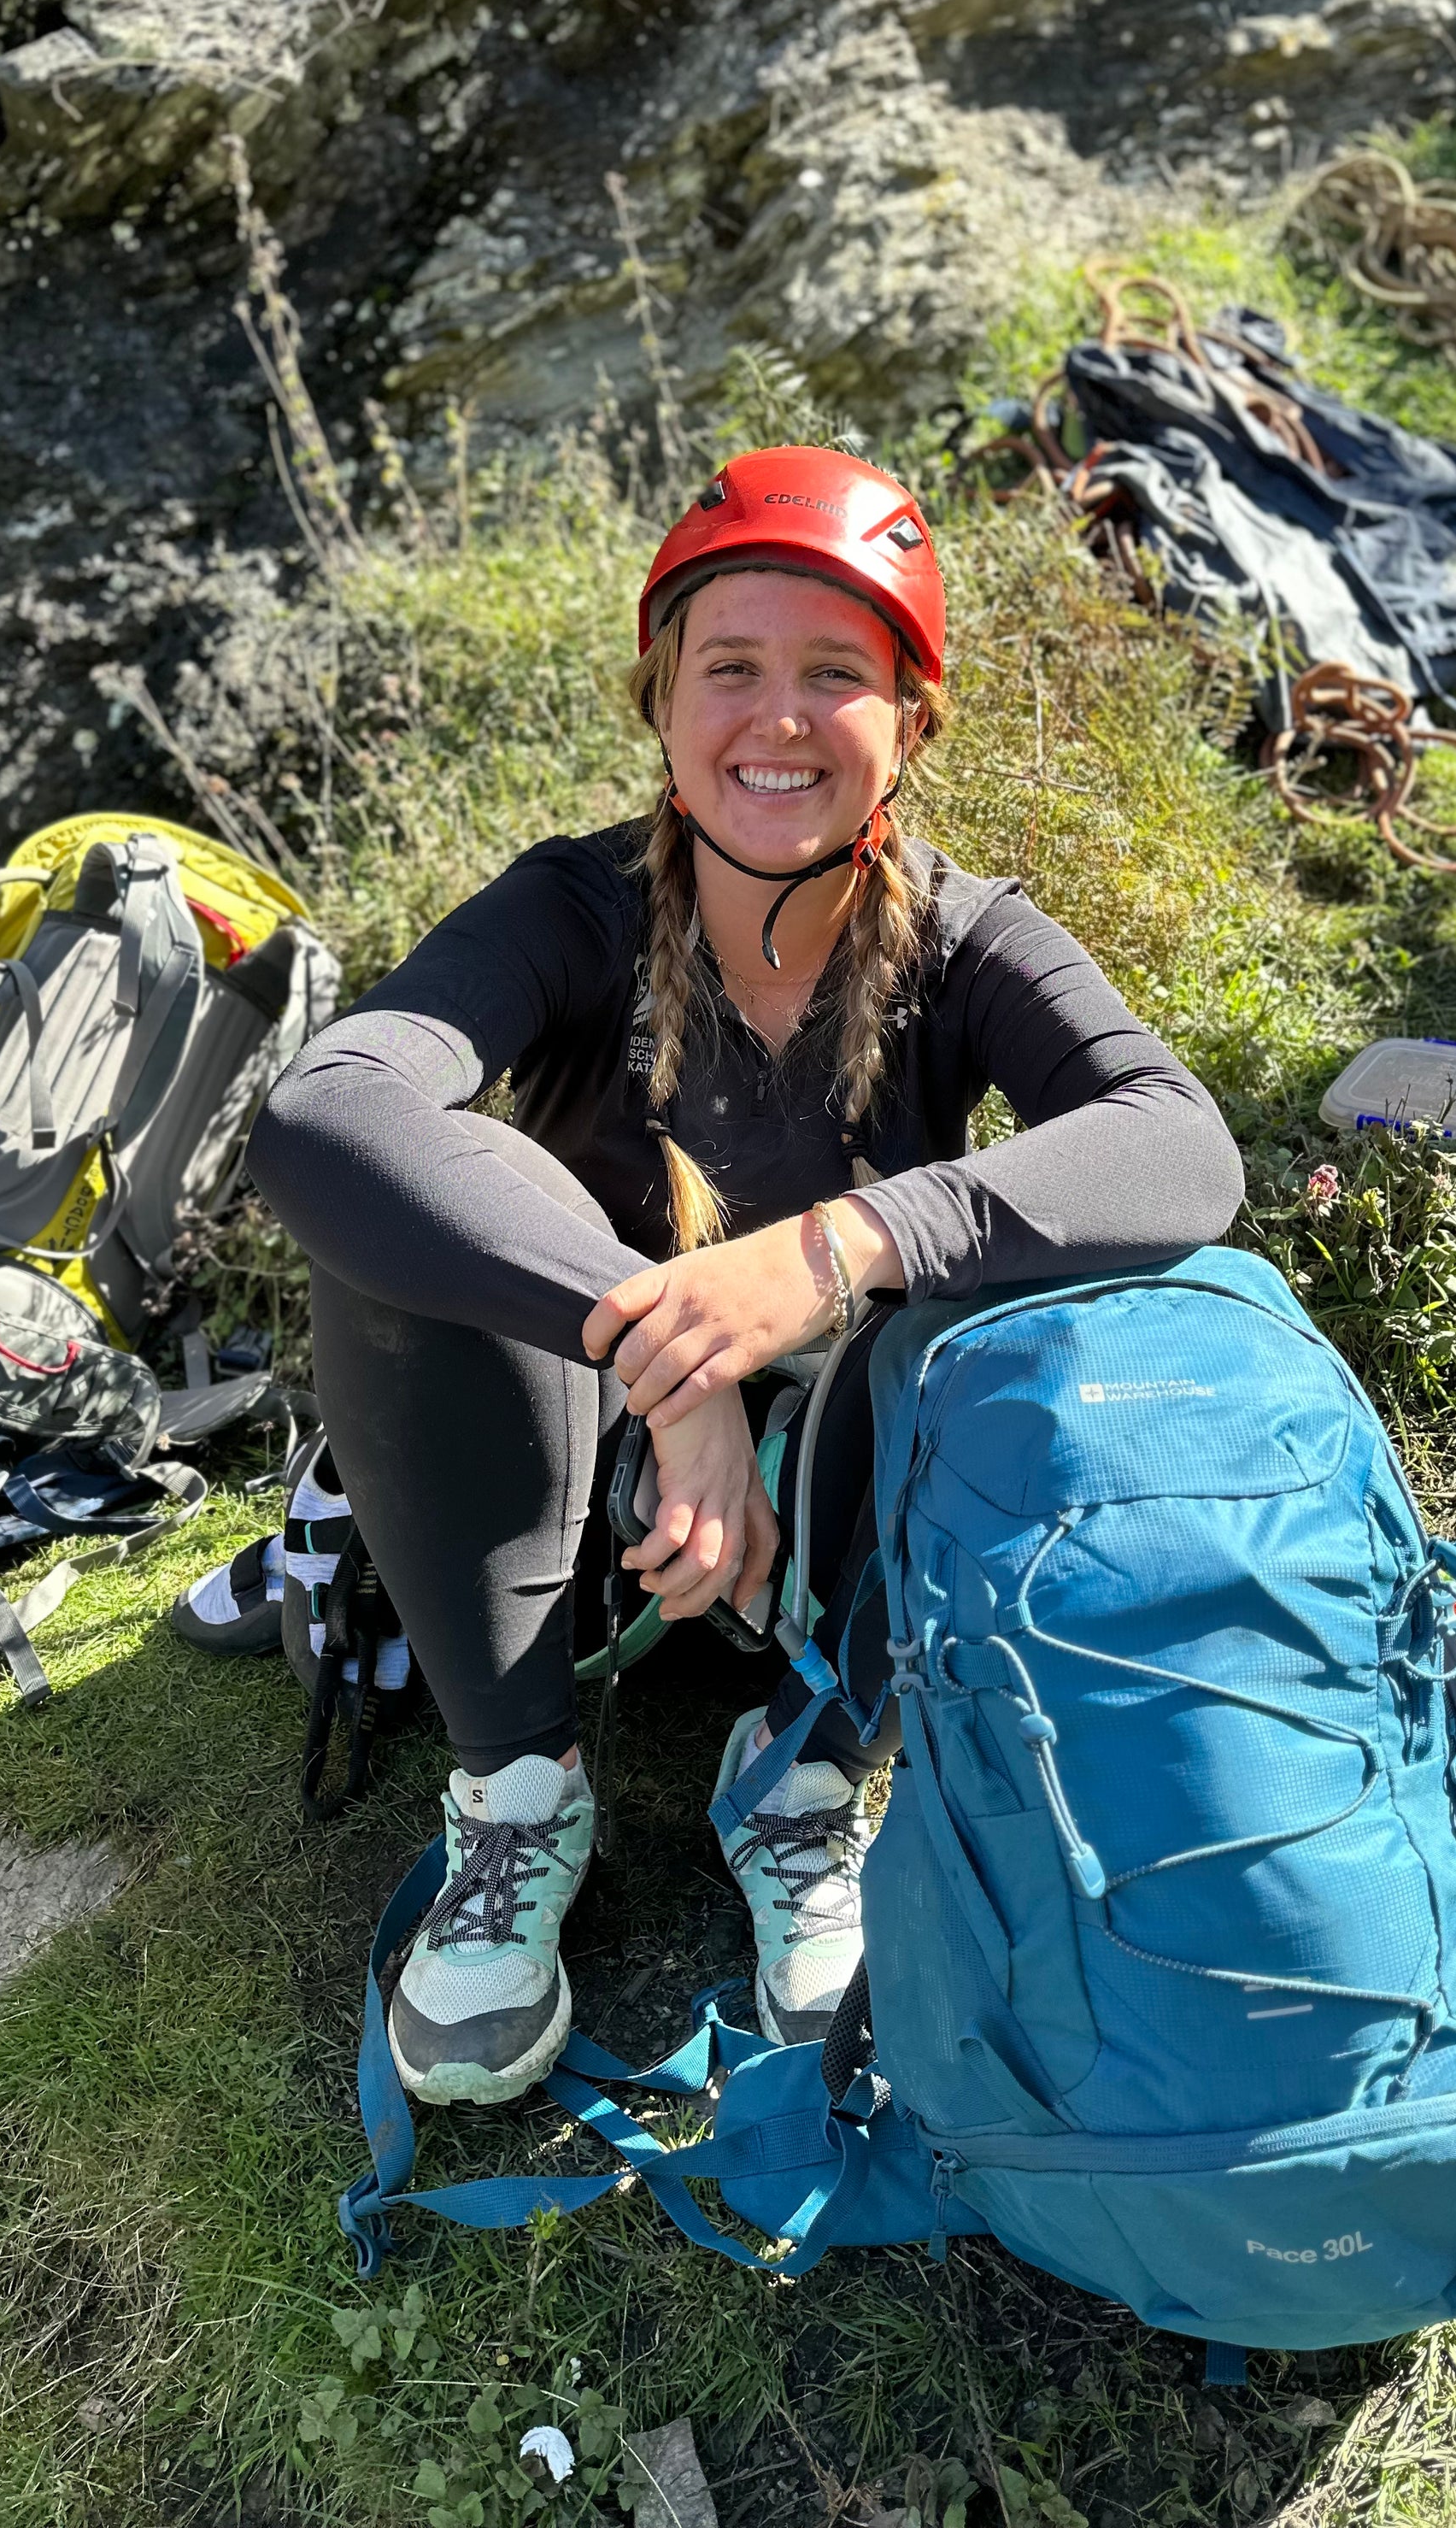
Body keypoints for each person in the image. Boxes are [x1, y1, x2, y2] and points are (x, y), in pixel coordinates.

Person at [234, 444, 1245, 2108]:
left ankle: (803, 1772)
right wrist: (671, 1351)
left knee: (986, 1276)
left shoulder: (968, 941)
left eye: (835, 674)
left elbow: (1182, 1146)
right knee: (443, 1183)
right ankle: (519, 1784)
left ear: (909, 722)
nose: (780, 718)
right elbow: (326, 1107)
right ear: (661, 702)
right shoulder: (574, 911)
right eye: (734, 670)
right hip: (577, 1537)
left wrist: (835, 1250)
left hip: (839, 1536)